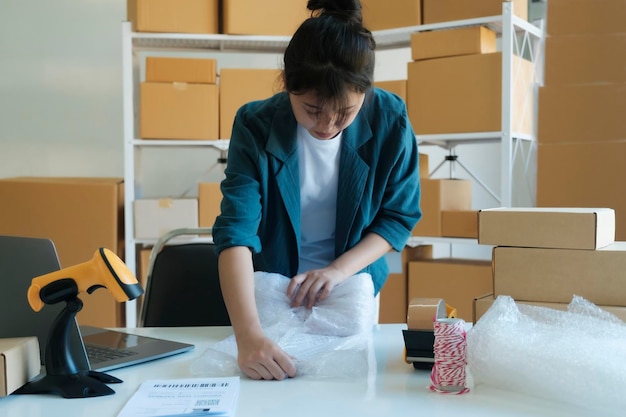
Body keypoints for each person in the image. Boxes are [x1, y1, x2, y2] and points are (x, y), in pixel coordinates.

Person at [212, 0, 421, 381]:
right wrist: (248, 335)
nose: (327, 125)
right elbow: (236, 232)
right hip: (272, 289)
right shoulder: (256, 124)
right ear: (288, 86)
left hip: (350, 285)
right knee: (268, 389)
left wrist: (337, 271)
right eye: (311, 109)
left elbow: (398, 216)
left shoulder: (390, 120)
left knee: (348, 389)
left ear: (365, 93)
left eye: (345, 113)